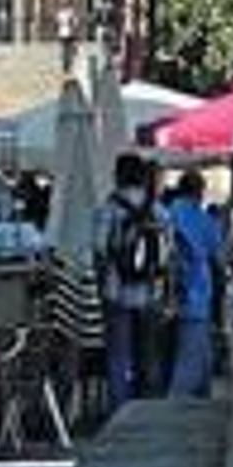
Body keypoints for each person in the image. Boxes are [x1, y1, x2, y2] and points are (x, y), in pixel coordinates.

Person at [94, 153, 172, 406]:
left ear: (118, 175)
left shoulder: (110, 208)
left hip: (117, 292)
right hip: (151, 293)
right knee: (149, 354)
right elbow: (168, 254)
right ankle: (148, 410)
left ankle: (120, 411)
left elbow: (99, 248)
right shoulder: (159, 210)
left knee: (119, 356)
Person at [166, 170, 224, 398]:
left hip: (164, 297)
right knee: (188, 364)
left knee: (200, 358)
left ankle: (202, 401)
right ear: (200, 192)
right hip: (195, 296)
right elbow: (218, 258)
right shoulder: (204, 220)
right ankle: (172, 414)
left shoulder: (166, 213)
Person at [55, 0, 79, 74]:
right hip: (69, 33)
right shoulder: (71, 13)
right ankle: (67, 65)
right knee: (69, 50)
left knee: (65, 50)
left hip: (62, 33)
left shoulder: (60, 13)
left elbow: (57, 24)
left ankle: (66, 65)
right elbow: (75, 24)